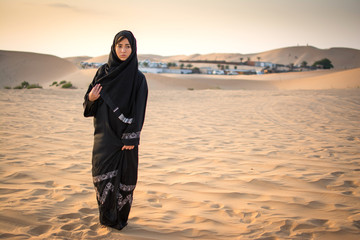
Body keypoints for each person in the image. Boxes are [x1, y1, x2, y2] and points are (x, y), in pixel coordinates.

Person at [83, 30, 148, 230]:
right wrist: (91, 99)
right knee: (102, 176)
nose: (123, 50)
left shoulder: (138, 79)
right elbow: (89, 105)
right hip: (104, 135)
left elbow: (139, 110)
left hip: (125, 139)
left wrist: (131, 138)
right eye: (120, 46)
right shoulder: (103, 72)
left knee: (125, 179)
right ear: (113, 47)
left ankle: (119, 219)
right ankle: (106, 218)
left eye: (127, 46)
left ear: (133, 49)